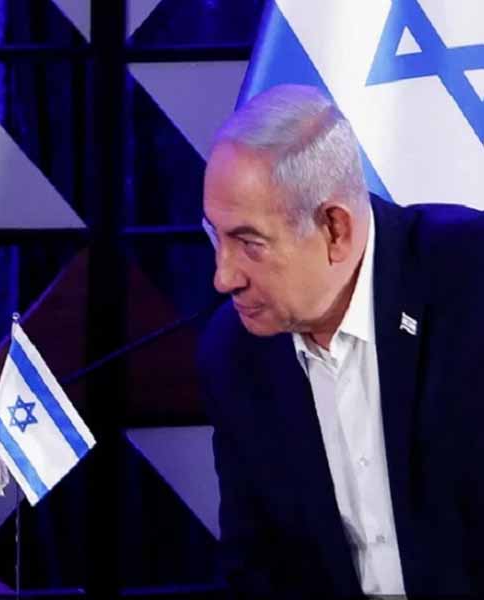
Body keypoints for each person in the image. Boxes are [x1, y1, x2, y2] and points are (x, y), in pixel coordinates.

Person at [198, 84, 484, 598]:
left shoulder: (470, 280)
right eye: (215, 237)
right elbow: (256, 567)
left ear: (335, 229)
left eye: (249, 243)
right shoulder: (234, 353)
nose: (224, 277)